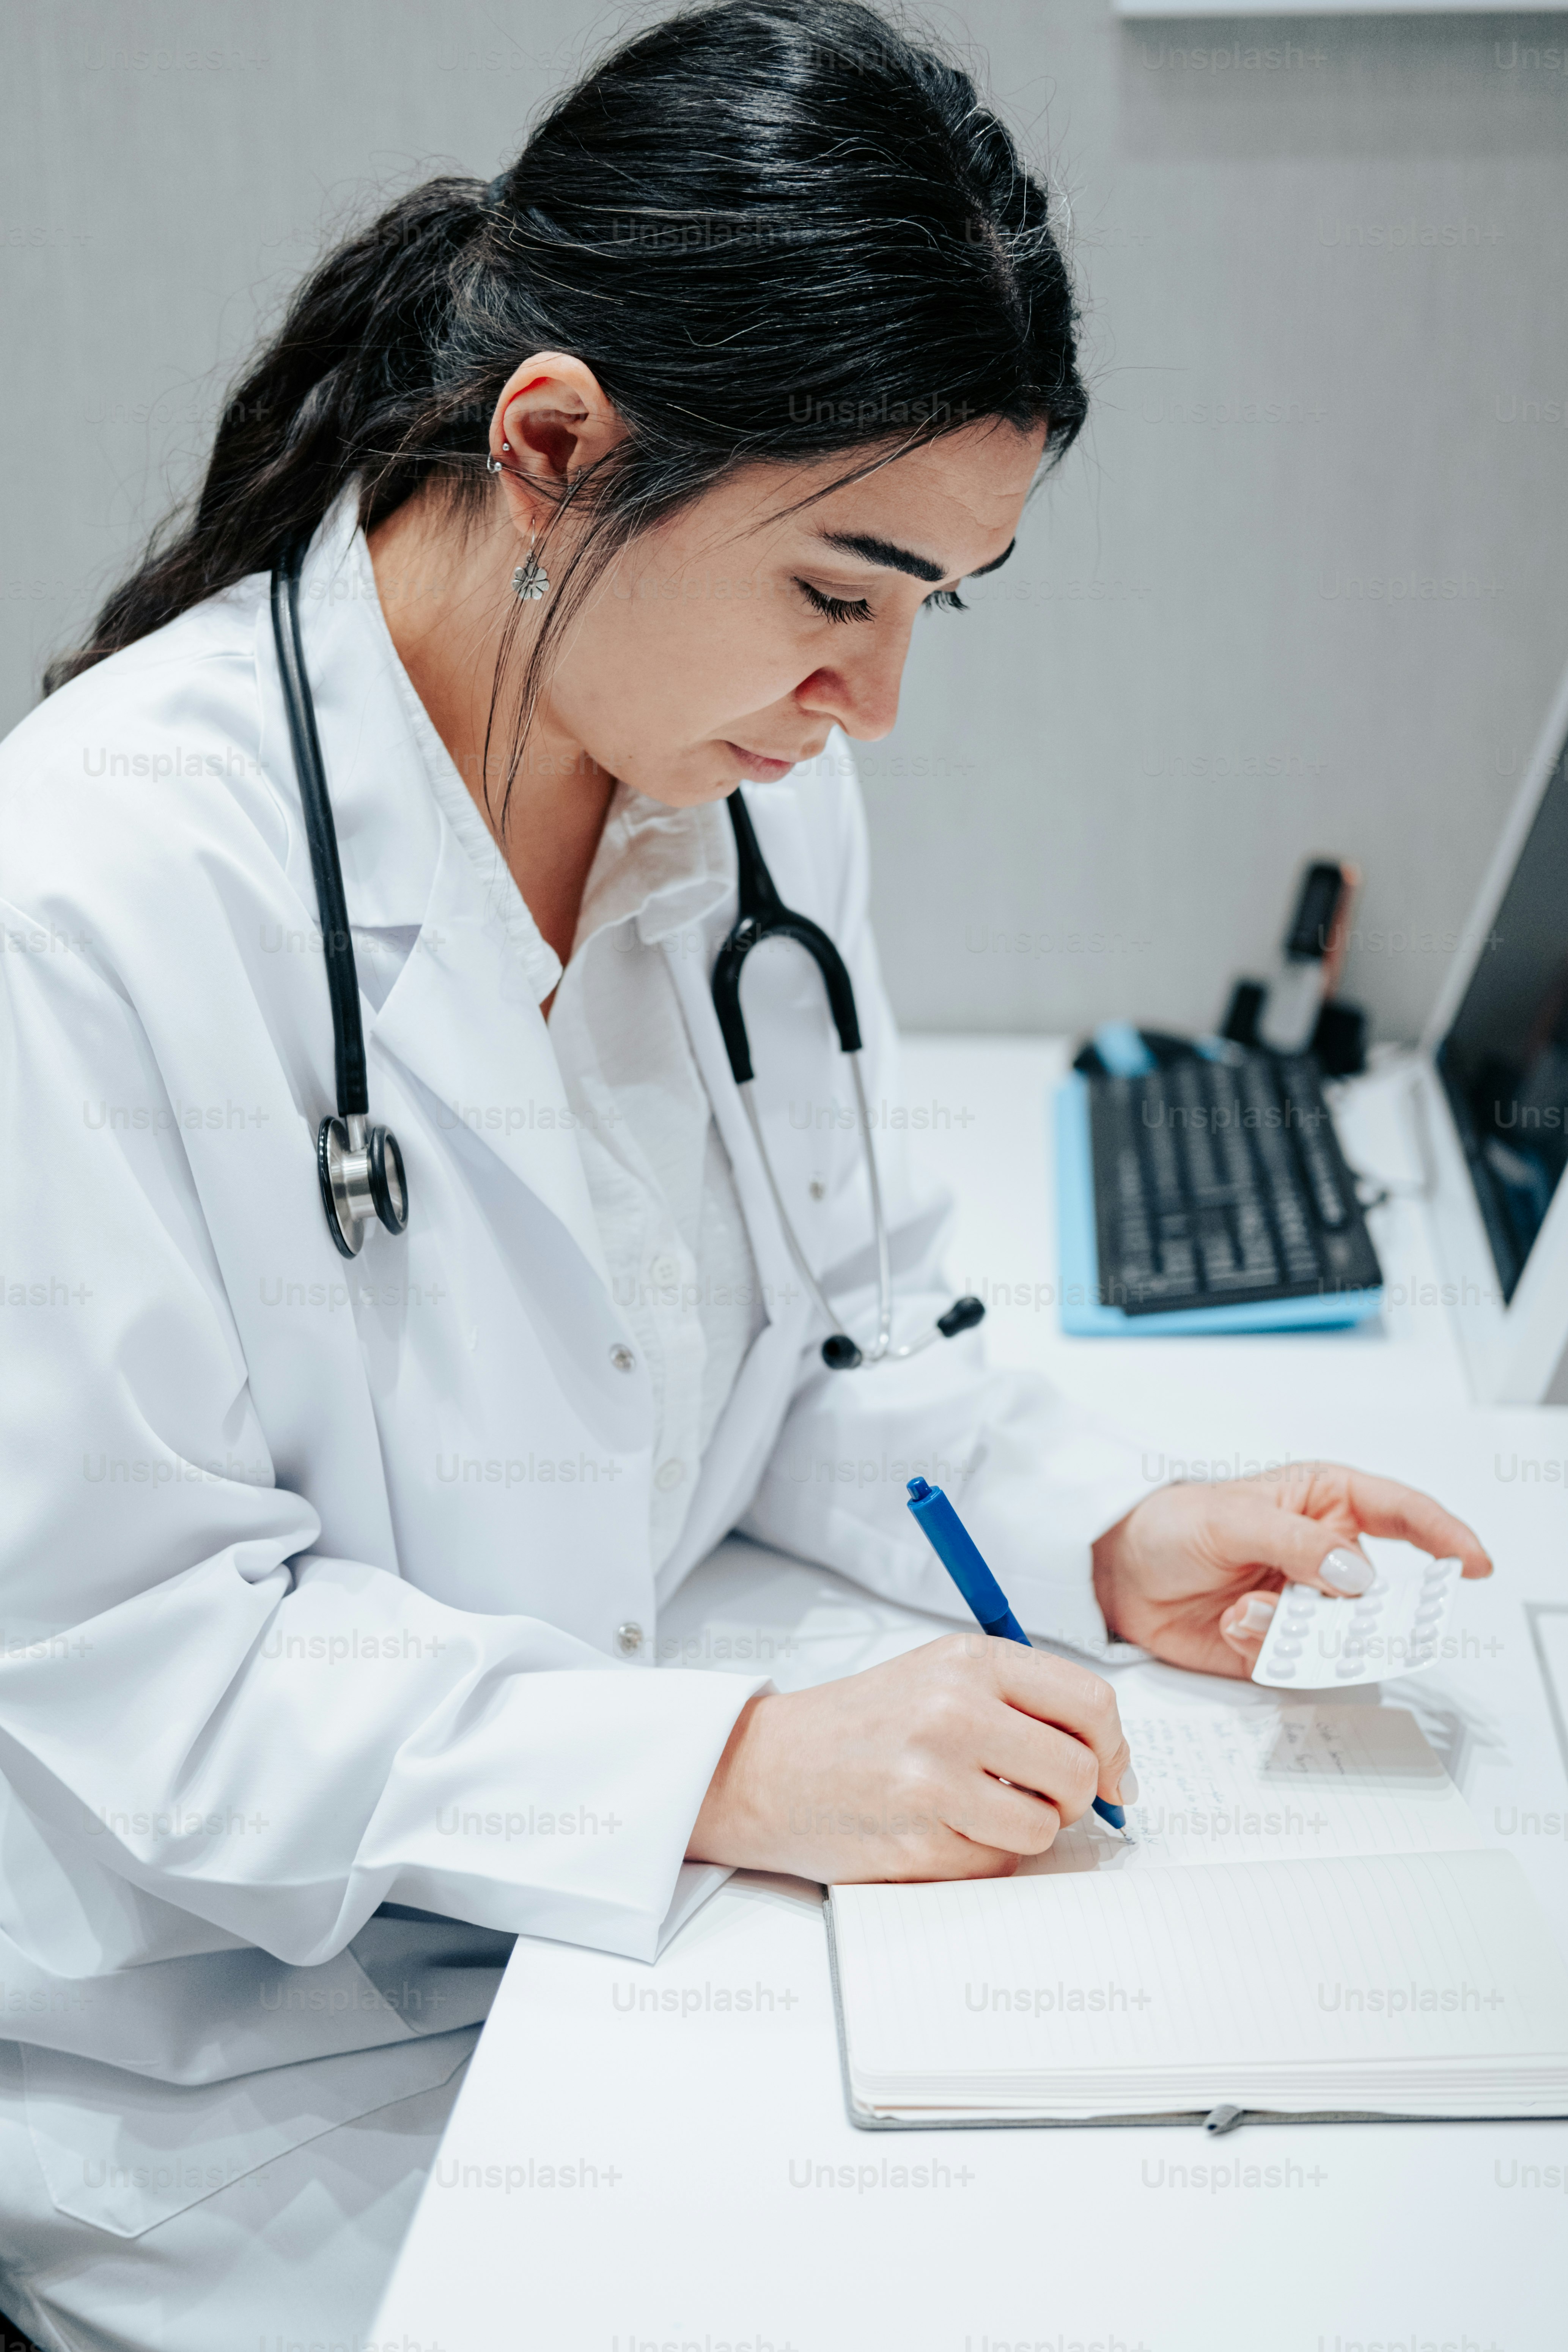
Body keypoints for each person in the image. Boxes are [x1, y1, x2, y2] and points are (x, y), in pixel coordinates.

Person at [0, 3, 1489, 2345]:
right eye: (836, 592)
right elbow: (146, 1669)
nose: (874, 703)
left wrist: (1110, 1537)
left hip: (650, 1927)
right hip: (259, 2084)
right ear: (553, 445)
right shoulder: (91, 899)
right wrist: (742, 1763)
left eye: (926, 608)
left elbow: (830, 1342)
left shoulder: (743, 799)